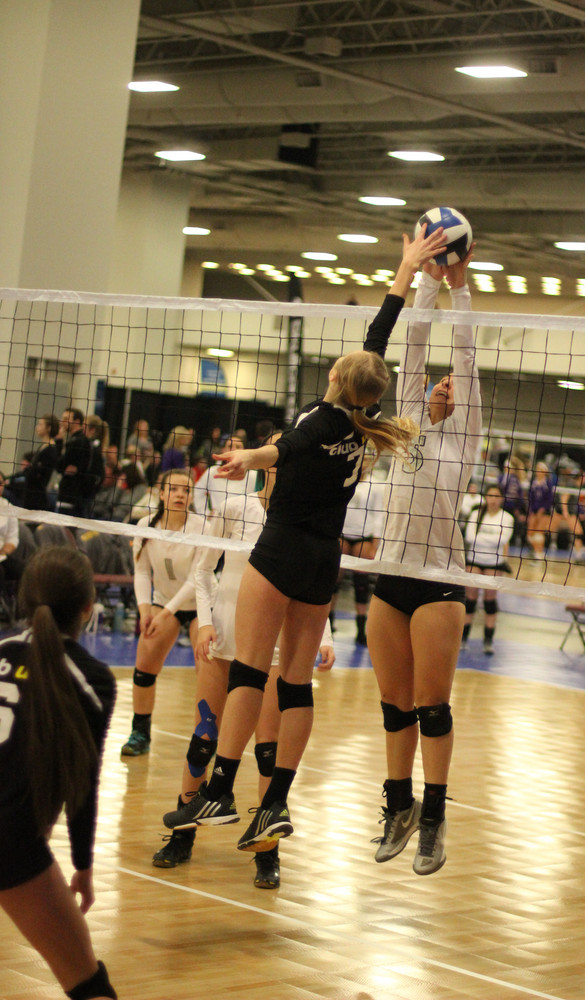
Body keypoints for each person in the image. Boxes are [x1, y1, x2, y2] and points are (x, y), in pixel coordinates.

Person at [163, 225, 448, 855]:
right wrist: (406, 271)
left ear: (337, 376)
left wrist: (249, 458)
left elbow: (285, 448)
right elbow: (380, 335)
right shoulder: (364, 418)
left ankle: (221, 791)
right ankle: (275, 804)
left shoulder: (321, 419)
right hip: (325, 560)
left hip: (282, 550)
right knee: (294, 684)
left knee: (248, 672)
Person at [155, 434, 334, 889]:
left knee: (267, 749)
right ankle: (182, 834)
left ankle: (266, 851)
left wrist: (325, 636)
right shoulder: (235, 508)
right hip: (225, 639)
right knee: (204, 736)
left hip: (272, 650)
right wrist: (205, 623)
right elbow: (203, 570)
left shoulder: (302, 521)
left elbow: (312, 587)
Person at [366, 246, 481, 877]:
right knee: (394, 704)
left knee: (431, 704)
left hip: (438, 581)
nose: (443, 384)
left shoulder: (464, 437)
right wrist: (427, 284)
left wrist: (460, 288)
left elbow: (463, 355)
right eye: (438, 382)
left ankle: (434, 819)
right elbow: (413, 347)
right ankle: (399, 806)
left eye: (452, 385)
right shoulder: (405, 425)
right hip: (391, 576)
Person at [0, 546, 116, 1000]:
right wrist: (83, 867)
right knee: (89, 986)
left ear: (25, 598)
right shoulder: (91, 679)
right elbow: (82, 787)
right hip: (9, 838)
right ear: (88, 608)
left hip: (12, 836)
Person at [121, 469, 209, 757]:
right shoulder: (145, 525)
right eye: (173, 489)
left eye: (186, 490)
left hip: (202, 605)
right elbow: (141, 572)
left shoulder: (203, 527)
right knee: (145, 661)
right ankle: (140, 733)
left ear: (191, 496)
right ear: (161, 494)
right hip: (163, 601)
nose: (180, 494)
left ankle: (206, 738)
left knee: (207, 669)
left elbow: (196, 579)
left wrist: (163, 614)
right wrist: (145, 609)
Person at [330, 458, 385, 645]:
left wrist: (375, 543)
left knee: (361, 583)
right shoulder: (342, 478)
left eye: (368, 460)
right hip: (341, 534)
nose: (364, 463)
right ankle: (329, 624)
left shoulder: (376, 485)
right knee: (333, 581)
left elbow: (379, 515)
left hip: (363, 537)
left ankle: (361, 629)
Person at [462, 485, 515, 654]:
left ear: (501, 498)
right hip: (474, 560)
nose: (493, 499)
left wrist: (481, 538)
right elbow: (469, 537)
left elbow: (503, 540)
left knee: (490, 601)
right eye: (490, 495)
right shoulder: (476, 514)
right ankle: (463, 639)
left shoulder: (506, 518)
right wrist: (491, 539)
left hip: (494, 562)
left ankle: (488, 641)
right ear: (485, 497)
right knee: (470, 600)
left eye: (496, 496)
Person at [192, 433, 247, 515]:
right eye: (230, 446)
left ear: (245, 450)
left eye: (238, 447)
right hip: (218, 518)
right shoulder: (212, 472)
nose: (234, 449)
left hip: (242, 520)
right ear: (223, 450)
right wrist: (205, 513)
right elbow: (197, 492)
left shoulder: (252, 475)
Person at [55, 408, 92, 517]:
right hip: (72, 494)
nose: (62, 422)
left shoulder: (78, 441)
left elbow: (58, 466)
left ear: (76, 422)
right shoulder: (76, 440)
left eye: (66, 419)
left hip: (71, 495)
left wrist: (59, 441)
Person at [22, 414, 59, 510]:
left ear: (49, 428)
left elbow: (36, 473)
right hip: (30, 494)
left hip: (37, 498)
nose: (37, 427)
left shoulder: (50, 450)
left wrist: (27, 471)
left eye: (40, 424)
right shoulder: (43, 447)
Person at [526, 461, 556, 558]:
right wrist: (531, 511)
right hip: (534, 510)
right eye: (537, 469)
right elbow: (530, 497)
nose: (538, 471)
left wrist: (542, 509)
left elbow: (550, 499)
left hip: (545, 511)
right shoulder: (533, 482)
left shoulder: (548, 483)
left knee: (539, 532)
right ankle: (536, 550)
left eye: (540, 470)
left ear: (544, 472)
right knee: (530, 533)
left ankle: (539, 552)